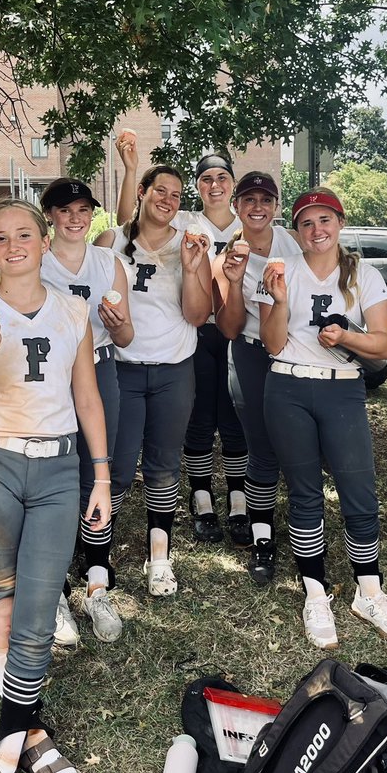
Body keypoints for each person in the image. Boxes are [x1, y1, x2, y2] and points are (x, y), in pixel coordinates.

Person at [0, 198, 111, 773]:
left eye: (23, 234)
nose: (12, 244)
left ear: (44, 240)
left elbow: (87, 398)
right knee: (1, 600)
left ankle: (6, 746)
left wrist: (101, 477)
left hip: (59, 467)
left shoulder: (73, 309)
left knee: (38, 604)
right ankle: (32, 734)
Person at [257, 187, 387, 649]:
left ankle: (369, 590)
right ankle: (316, 592)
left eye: (325, 220)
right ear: (296, 231)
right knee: (303, 494)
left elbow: (383, 346)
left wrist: (346, 336)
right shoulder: (283, 270)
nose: (317, 230)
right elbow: (272, 344)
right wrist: (279, 300)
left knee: (358, 490)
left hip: (342, 387)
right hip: (288, 385)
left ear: (339, 224)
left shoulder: (363, 273)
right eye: (306, 223)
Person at [116, 134, 250, 544]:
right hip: (197, 329)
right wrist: (129, 170)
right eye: (206, 178)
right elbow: (128, 226)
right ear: (197, 186)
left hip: (240, 327)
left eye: (222, 177)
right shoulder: (184, 223)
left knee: (235, 416)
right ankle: (202, 496)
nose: (215, 184)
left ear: (232, 182)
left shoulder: (252, 220)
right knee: (199, 417)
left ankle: (241, 499)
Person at [95, 164, 212, 596]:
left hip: (173, 369)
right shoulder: (111, 242)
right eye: (159, 190)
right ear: (141, 192)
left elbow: (198, 316)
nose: (167, 199)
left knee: (164, 468)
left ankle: (159, 558)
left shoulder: (192, 243)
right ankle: (95, 555)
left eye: (177, 195)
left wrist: (193, 267)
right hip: (121, 367)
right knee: (118, 468)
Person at [39, 177, 134, 643]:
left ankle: (97, 580)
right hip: (50, 378)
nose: (75, 219)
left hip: (99, 370)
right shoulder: (35, 261)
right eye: (65, 210)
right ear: (50, 216)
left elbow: (127, 336)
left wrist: (116, 325)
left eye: (83, 210)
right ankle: (56, 588)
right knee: (55, 474)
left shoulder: (109, 262)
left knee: (98, 471)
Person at [213, 171, 302, 584]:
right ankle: (262, 536)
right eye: (249, 199)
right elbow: (229, 328)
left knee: (300, 445)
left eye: (266, 199)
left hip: (293, 355)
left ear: (276, 206)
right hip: (250, 352)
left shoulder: (296, 244)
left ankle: (306, 532)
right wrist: (232, 282)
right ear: (236, 206)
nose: (258, 206)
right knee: (261, 446)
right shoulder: (230, 255)